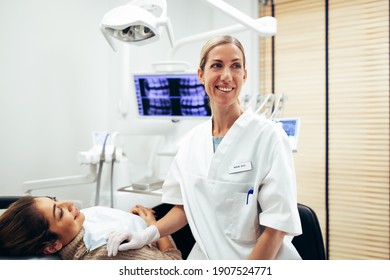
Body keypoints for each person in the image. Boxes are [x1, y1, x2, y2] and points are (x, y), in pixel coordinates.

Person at [106, 34, 302, 260]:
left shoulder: (269, 137)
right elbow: (183, 208)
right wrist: (147, 234)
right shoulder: (191, 142)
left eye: (236, 66)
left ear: (244, 75)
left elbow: (277, 226)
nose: (226, 76)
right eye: (217, 65)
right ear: (201, 74)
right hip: (207, 257)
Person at [0, 196, 181, 260]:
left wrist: (128, 219)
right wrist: (152, 228)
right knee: (191, 204)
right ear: (53, 246)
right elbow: (174, 266)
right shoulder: (105, 252)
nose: (69, 203)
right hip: (169, 244)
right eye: (60, 212)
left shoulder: (77, 228)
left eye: (55, 201)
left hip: (145, 226)